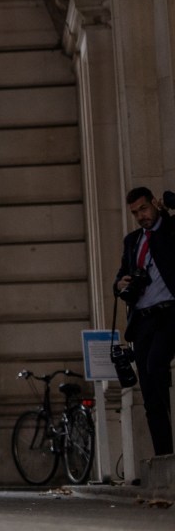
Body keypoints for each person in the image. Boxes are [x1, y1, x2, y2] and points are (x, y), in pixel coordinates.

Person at [114, 187, 175, 456]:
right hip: (142, 321)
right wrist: (120, 284)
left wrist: (169, 205)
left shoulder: (170, 230)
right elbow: (120, 276)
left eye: (144, 209)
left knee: (155, 364)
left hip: (169, 314)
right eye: (135, 213)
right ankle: (164, 455)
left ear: (153, 204)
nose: (141, 216)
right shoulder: (132, 241)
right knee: (149, 391)